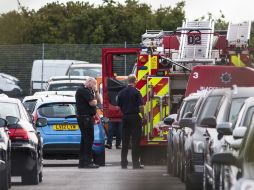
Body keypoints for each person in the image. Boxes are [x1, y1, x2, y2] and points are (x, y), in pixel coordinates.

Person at [117, 74, 146, 169]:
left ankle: (123, 164)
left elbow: (118, 106)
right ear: (135, 81)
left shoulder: (121, 92)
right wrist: (144, 116)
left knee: (125, 141)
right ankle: (135, 164)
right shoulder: (137, 92)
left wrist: (125, 112)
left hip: (125, 117)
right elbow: (141, 106)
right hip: (135, 117)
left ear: (127, 81)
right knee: (135, 141)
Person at [75, 77, 102, 169]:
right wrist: (94, 93)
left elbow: (99, 101)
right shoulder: (83, 90)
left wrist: (96, 91)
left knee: (85, 140)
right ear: (89, 82)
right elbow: (93, 103)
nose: (93, 87)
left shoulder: (88, 90)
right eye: (94, 84)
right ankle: (88, 162)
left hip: (86, 118)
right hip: (85, 118)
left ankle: (82, 162)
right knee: (88, 140)